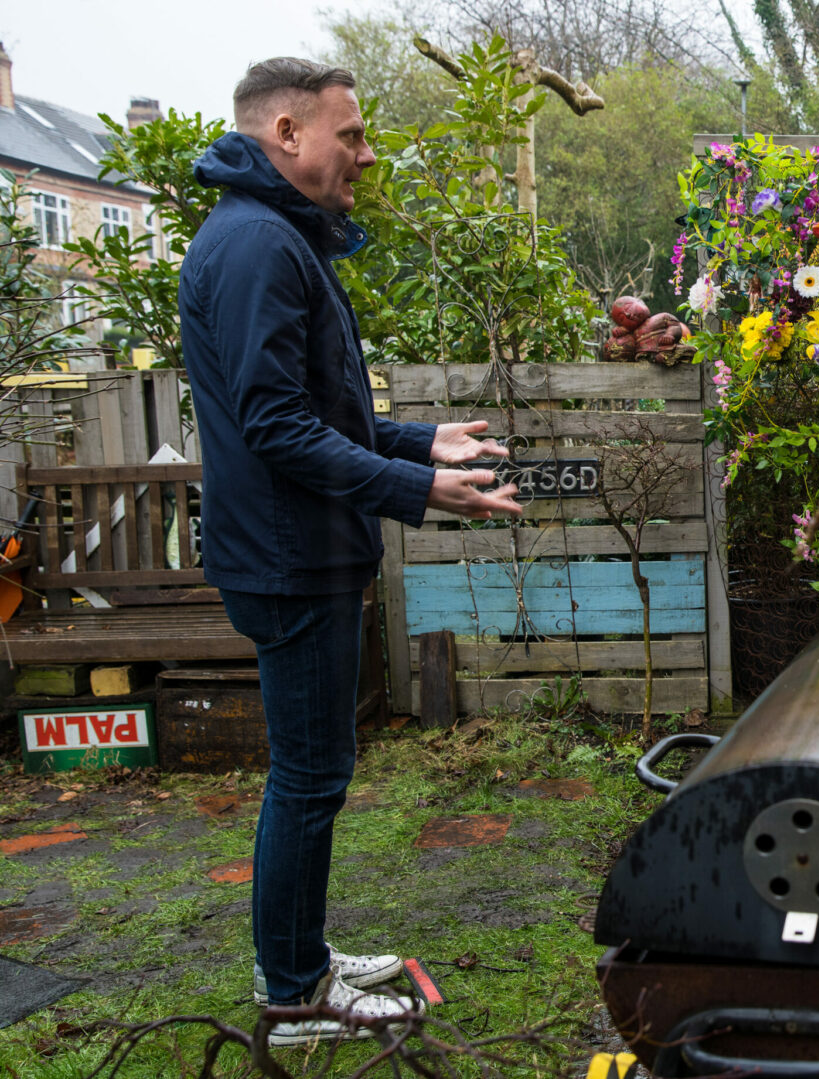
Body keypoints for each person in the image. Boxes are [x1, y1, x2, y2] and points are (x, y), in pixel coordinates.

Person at [178, 57, 524, 1045]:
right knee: (310, 775)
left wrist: (422, 441)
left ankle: (304, 957)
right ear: (286, 133)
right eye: (353, 134)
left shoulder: (272, 235)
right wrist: (419, 487)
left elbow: (319, 408)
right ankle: (294, 992)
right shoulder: (256, 247)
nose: (365, 155)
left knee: (313, 770)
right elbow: (280, 429)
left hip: (300, 551)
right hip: (291, 558)